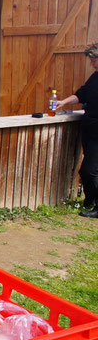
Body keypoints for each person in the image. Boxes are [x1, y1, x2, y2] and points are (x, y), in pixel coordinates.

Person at [55, 43, 98, 218]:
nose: (93, 64)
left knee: (88, 170)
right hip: (89, 129)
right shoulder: (95, 78)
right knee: (90, 170)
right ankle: (89, 202)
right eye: (92, 61)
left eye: (95, 61)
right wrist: (63, 102)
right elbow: (81, 94)